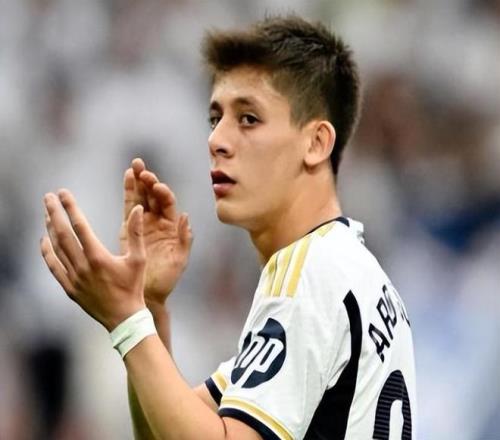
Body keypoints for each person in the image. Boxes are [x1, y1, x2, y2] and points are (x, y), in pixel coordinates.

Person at [40, 14, 416, 440]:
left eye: (248, 119)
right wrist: (148, 308)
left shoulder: (309, 274)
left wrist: (125, 318)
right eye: (215, 118)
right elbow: (167, 433)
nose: (217, 140)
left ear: (315, 143)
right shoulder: (353, 273)